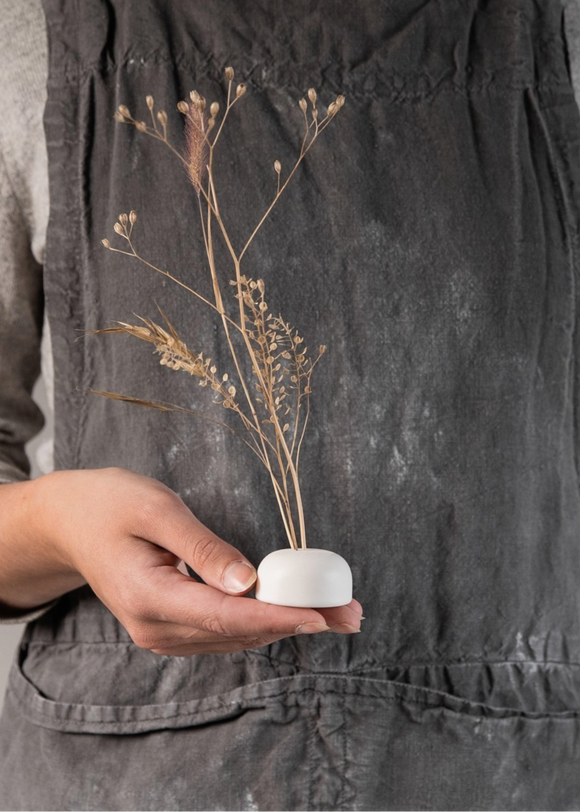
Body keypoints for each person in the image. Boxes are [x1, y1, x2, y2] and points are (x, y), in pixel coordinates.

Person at [1, 0, 580, 809]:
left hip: (507, 770)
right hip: (133, 779)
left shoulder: (555, 35)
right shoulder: (32, 37)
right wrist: (60, 527)